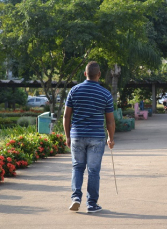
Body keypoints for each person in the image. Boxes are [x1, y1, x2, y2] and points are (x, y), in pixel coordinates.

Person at [63, 61, 115, 213]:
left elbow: (66, 116)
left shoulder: (74, 90)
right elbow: (110, 121)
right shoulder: (105, 94)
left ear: (85, 74)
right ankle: (92, 204)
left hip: (77, 135)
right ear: (99, 75)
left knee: (77, 167)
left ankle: (76, 198)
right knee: (93, 171)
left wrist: (67, 136)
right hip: (96, 137)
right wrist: (110, 139)